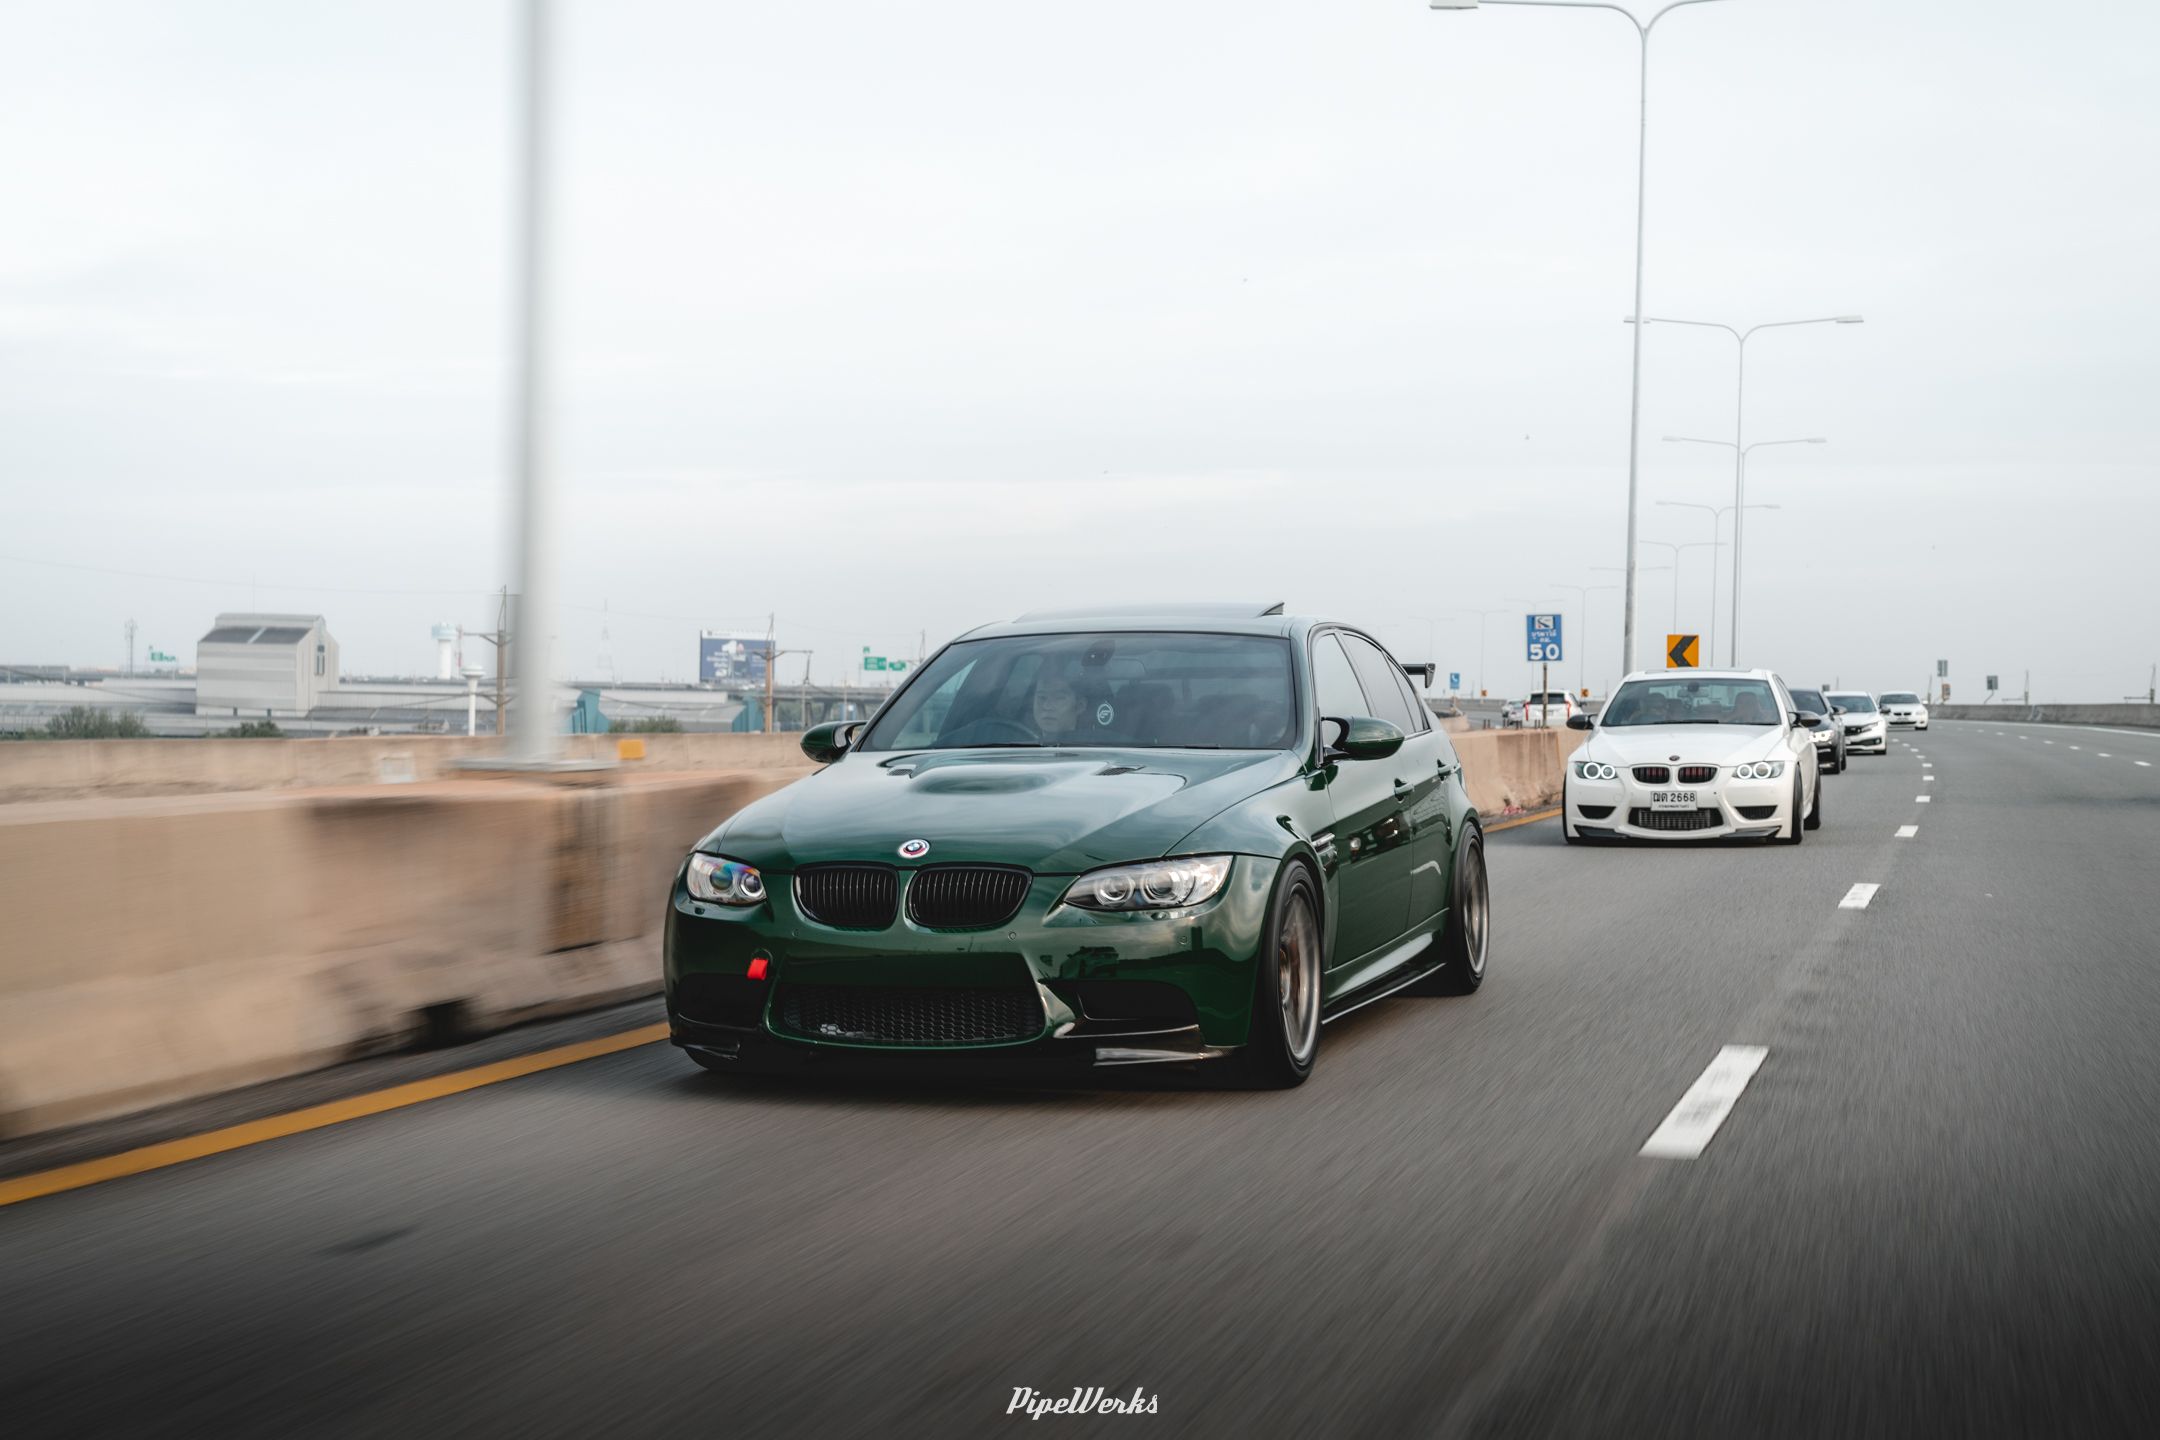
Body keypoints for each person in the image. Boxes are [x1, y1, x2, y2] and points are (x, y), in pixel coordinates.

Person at [1031, 672, 1085, 742]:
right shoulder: (1018, 743)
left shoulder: (1092, 748)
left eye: (1059, 698)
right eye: (1042, 697)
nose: (1047, 706)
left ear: (1080, 706)